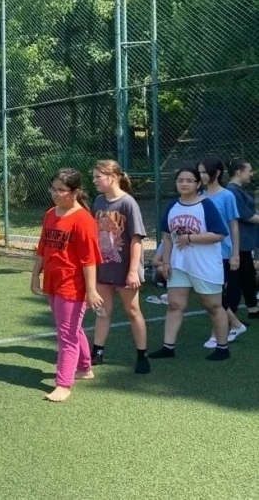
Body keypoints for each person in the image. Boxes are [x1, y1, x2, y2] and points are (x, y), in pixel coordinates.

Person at [30, 168, 103, 402]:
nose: (55, 193)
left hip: (72, 285)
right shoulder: (51, 214)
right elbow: (43, 248)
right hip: (53, 281)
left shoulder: (83, 220)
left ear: (75, 192)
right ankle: (84, 367)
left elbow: (89, 258)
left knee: (66, 334)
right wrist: (35, 275)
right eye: (54, 188)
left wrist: (91, 290)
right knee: (71, 328)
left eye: (61, 190)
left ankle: (63, 383)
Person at [148, 166, 230, 361]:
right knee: (175, 304)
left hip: (205, 265)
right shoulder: (172, 207)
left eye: (189, 180)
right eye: (180, 180)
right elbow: (167, 238)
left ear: (198, 184)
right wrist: (166, 262)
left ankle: (222, 347)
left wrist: (191, 238)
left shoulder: (206, 205)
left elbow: (219, 234)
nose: (184, 184)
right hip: (179, 264)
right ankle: (168, 347)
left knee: (213, 306)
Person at [90, 160, 150, 374]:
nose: (94, 180)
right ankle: (97, 352)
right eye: (94, 176)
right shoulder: (97, 202)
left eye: (98, 176)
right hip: (103, 268)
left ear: (112, 177)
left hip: (125, 269)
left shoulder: (128, 203)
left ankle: (142, 355)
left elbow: (136, 240)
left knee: (132, 310)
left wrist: (133, 271)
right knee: (102, 311)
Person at [197, 156, 245, 348]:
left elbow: (234, 226)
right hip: (202, 251)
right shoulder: (199, 194)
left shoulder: (227, 196)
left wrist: (235, 253)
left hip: (222, 252)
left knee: (216, 295)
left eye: (203, 172)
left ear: (215, 173)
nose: (200, 175)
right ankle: (235, 324)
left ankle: (217, 334)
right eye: (199, 172)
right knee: (208, 293)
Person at [226, 158, 259, 320]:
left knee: (248, 276)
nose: (251, 174)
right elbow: (246, 216)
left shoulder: (237, 190)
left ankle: (253, 308)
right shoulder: (232, 191)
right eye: (249, 170)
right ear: (239, 172)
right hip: (238, 242)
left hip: (245, 242)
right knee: (236, 280)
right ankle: (230, 314)